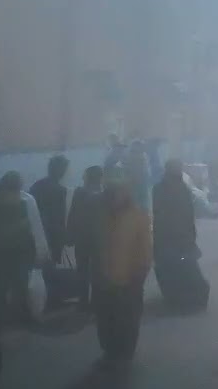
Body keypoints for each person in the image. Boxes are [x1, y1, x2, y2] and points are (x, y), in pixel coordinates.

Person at [0, 172, 48, 325]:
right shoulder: (22, 201)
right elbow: (35, 228)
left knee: (8, 288)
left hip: (8, 254)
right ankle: (16, 318)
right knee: (13, 287)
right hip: (12, 253)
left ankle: (7, 319)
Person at [95, 183, 151, 363]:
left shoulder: (138, 217)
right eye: (111, 194)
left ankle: (125, 350)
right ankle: (110, 348)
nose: (114, 198)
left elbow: (145, 248)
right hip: (105, 281)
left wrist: (141, 271)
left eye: (118, 194)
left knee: (128, 318)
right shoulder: (102, 217)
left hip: (130, 280)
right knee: (107, 318)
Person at [152, 159, 207, 311]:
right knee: (187, 267)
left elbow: (159, 216)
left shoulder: (159, 188)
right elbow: (189, 215)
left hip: (167, 239)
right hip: (182, 238)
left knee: (171, 269)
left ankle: (175, 298)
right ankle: (188, 298)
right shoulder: (182, 188)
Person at [30, 155, 71, 304]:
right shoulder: (59, 190)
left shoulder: (36, 186)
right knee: (50, 269)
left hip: (38, 234)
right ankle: (51, 301)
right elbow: (59, 217)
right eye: (64, 169)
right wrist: (64, 235)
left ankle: (43, 300)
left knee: (40, 271)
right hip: (53, 235)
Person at [67, 165, 106, 305]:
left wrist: (70, 235)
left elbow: (73, 214)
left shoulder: (79, 192)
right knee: (98, 271)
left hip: (82, 237)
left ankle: (83, 301)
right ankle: (96, 300)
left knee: (82, 270)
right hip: (99, 239)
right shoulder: (104, 194)